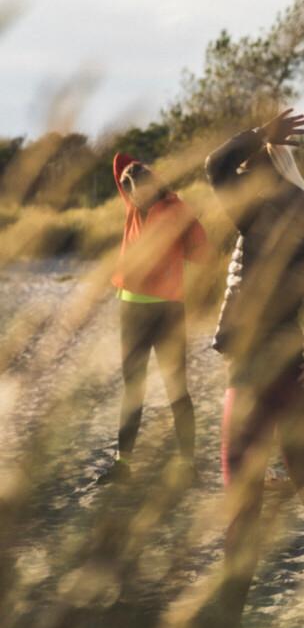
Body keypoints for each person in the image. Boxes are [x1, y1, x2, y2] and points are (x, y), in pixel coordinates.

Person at [205, 108, 304, 626]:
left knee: (242, 501)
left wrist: (257, 135)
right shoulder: (300, 221)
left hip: (250, 375)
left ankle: (228, 618)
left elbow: (215, 165)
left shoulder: (255, 211)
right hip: (294, 373)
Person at [102, 153, 211, 484]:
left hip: (167, 311)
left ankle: (187, 465)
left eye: (137, 191)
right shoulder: (132, 205)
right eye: (130, 193)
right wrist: (137, 174)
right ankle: (122, 465)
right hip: (131, 309)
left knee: (177, 387)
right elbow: (120, 160)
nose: (134, 198)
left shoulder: (178, 210)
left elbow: (204, 254)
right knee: (132, 387)